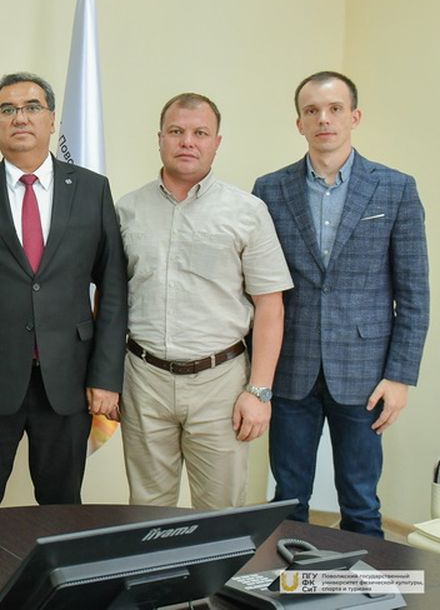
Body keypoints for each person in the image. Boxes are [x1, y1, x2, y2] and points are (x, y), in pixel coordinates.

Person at [0, 72, 127, 511]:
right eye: (7, 109)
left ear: (52, 119)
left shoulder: (92, 189)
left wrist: (105, 376)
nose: (20, 117)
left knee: (62, 509)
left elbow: (114, 288)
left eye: (32, 107)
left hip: (68, 380)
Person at [253, 71, 429, 537]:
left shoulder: (395, 188)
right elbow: (257, 287)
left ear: (355, 117)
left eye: (334, 109)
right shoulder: (270, 190)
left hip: (365, 374)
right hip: (291, 368)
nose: (323, 119)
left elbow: (414, 293)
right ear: (299, 123)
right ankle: (287, 580)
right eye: (312, 111)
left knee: (361, 502)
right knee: (288, 499)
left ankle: (367, 583)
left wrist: (400, 377)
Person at [116, 93, 293, 509]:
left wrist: (259, 392)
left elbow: (271, 306)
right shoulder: (127, 209)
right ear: (160, 138)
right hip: (143, 380)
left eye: (200, 133)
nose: (187, 142)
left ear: (217, 142)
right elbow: (110, 299)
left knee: (221, 514)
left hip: (221, 384)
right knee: (146, 511)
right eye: (176, 131)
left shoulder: (248, 211)